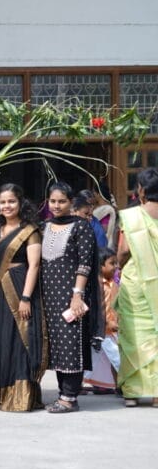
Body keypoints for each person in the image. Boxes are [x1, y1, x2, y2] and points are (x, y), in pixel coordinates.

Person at [39, 181, 102, 414]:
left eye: (62, 201)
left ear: (71, 202)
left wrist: (77, 295)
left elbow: (85, 263)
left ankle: (69, 397)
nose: (56, 206)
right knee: (57, 345)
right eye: (53, 201)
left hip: (71, 296)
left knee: (71, 343)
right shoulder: (44, 227)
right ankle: (62, 394)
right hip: (48, 297)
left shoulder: (81, 227)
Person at [0, 183, 46, 412]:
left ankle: (23, 398)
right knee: (3, 340)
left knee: (22, 340)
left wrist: (25, 298)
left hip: (21, 286)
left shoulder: (30, 230)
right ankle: (4, 395)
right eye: (3, 202)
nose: (7, 206)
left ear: (20, 203)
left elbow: (34, 265)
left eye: (11, 201)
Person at [116, 167, 158, 407]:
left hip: (136, 282)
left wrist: (119, 267)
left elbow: (123, 251)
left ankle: (132, 393)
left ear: (141, 190)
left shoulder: (132, 217)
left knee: (133, 333)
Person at [84, 246, 118, 393]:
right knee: (116, 358)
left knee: (101, 358)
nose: (116, 266)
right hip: (103, 329)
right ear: (100, 265)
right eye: (112, 263)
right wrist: (106, 322)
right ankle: (123, 385)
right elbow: (97, 309)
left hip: (112, 328)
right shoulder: (97, 285)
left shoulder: (114, 283)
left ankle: (104, 385)